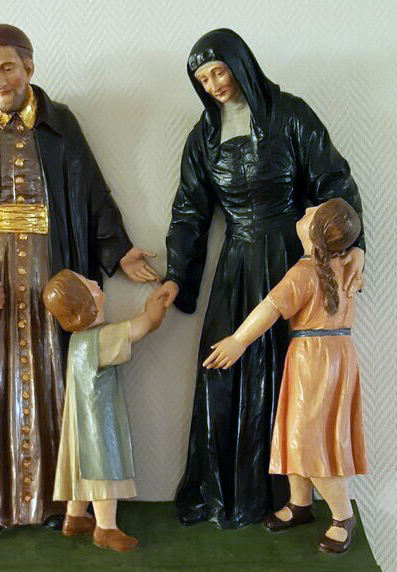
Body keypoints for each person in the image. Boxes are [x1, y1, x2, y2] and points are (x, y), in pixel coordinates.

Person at [0, 24, 159, 542]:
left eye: (7, 68)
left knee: (56, 375)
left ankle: (59, 502)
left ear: (29, 66)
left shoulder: (60, 124)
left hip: (50, 271)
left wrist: (118, 249)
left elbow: (91, 191)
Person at [152, 29, 365, 528]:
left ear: (241, 63)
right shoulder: (204, 138)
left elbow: (335, 182)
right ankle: (228, 493)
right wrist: (176, 276)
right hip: (238, 265)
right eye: (203, 80)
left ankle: (296, 499)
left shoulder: (291, 115)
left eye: (219, 71)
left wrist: (355, 246)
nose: (214, 85)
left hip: (293, 258)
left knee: (293, 378)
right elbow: (189, 212)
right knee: (224, 365)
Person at [204, 198, 366, 553]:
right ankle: (300, 502)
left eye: (312, 213)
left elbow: (270, 308)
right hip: (331, 357)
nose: (305, 211)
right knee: (297, 432)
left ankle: (342, 516)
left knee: (311, 439)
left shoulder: (305, 272)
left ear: (318, 232)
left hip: (314, 361)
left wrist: (238, 340)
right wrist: (358, 251)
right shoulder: (346, 264)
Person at [43, 269, 166, 552]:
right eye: (87, 284)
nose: (95, 281)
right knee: (102, 471)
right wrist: (153, 310)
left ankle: (75, 517)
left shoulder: (81, 339)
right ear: (83, 301)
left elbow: (135, 331)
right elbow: (140, 328)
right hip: (98, 421)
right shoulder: (100, 338)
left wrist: (150, 318)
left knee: (81, 469)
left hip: (81, 420)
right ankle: (106, 528)